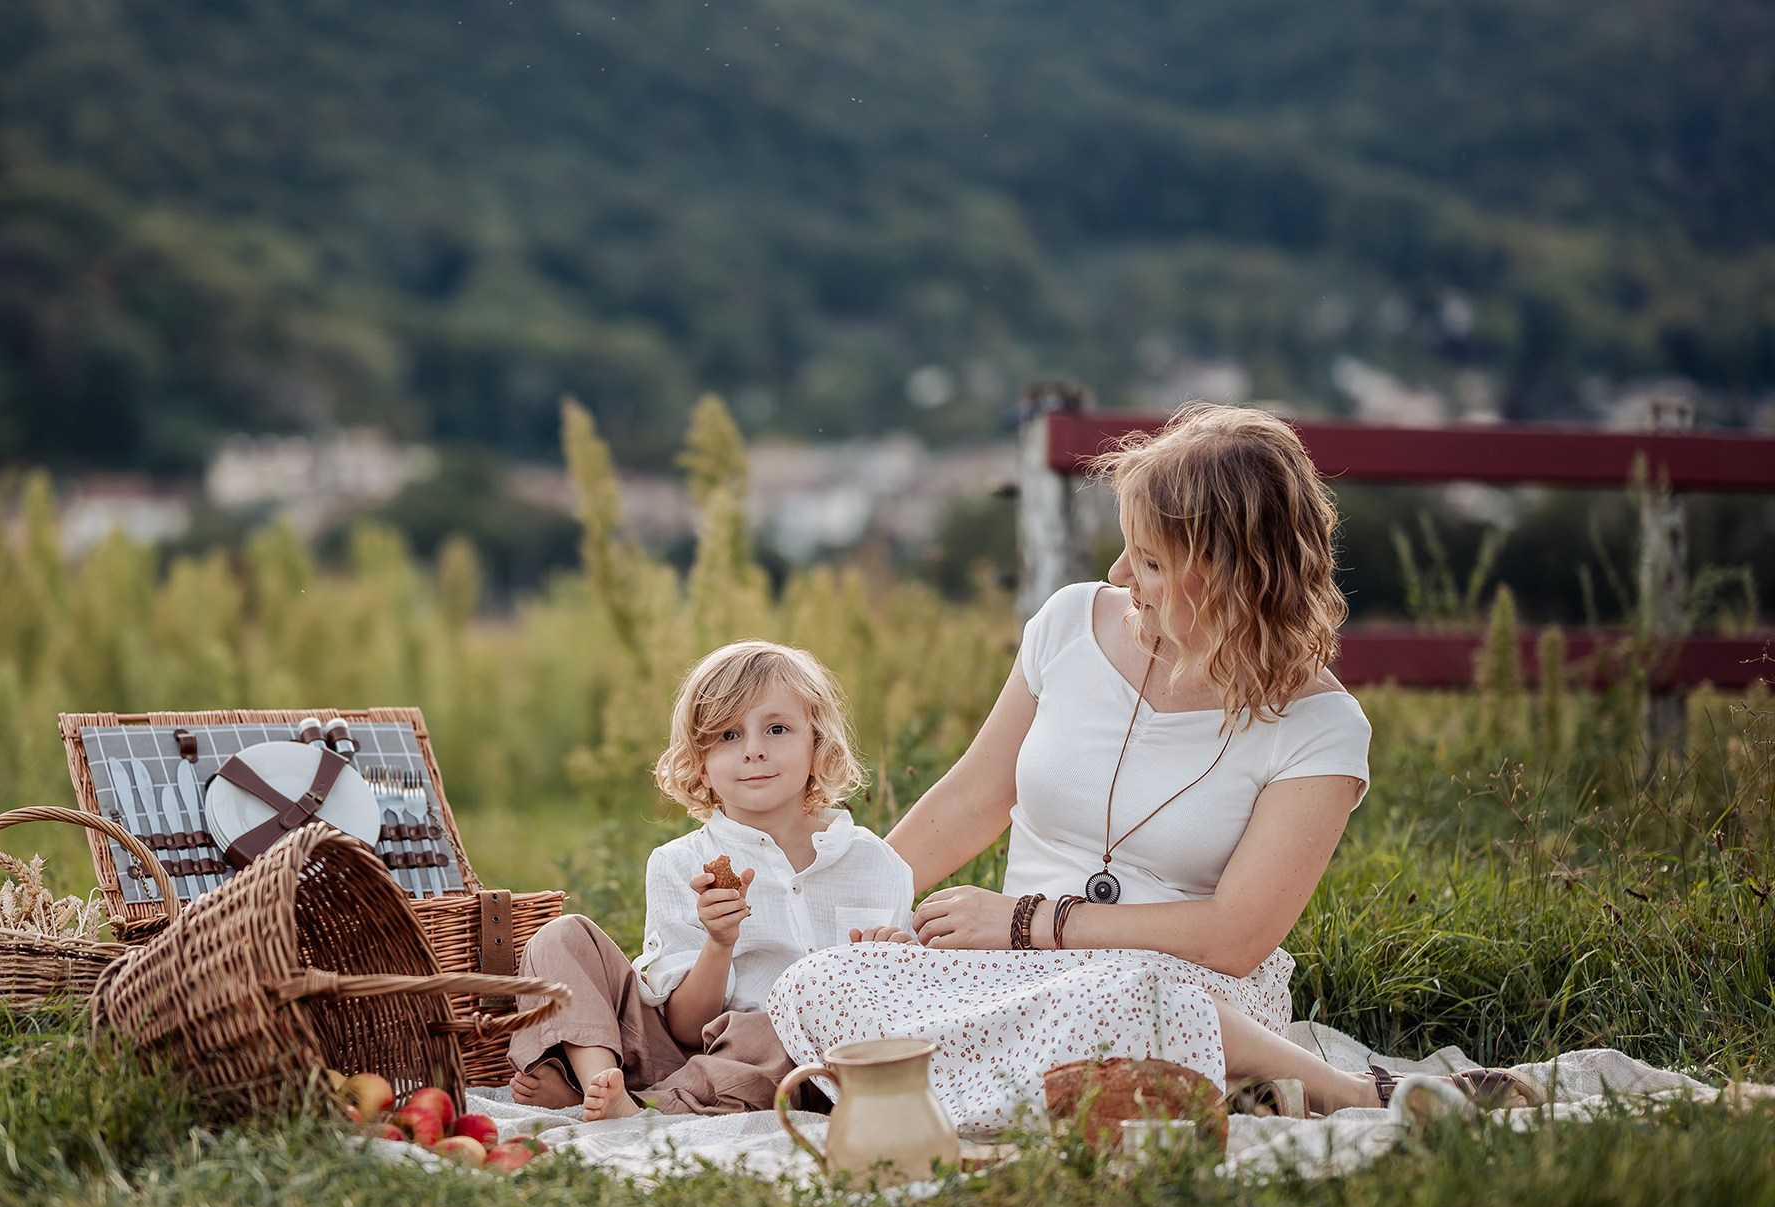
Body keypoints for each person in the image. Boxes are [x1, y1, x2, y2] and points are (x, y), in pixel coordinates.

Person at [766, 403, 1532, 1134]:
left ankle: (1349, 1091)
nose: (1121, 571)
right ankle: (1132, 1087)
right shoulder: (1068, 624)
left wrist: (1028, 920)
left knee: (1135, 997)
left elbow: (1234, 936)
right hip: (1012, 973)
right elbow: (970, 797)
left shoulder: (1321, 728)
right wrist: (854, 923)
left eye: (1152, 559)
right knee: (816, 982)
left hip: (1185, 986)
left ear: (1234, 573)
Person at [508, 639, 915, 1121]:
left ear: (818, 743)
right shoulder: (680, 863)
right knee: (561, 936)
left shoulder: (874, 862)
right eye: (728, 735)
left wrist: (892, 962)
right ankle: (602, 1084)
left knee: (769, 1029)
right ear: (700, 764)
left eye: (777, 729)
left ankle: (630, 1103)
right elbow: (685, 1028)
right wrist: (719, 944)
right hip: (676, 1054)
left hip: (787, 1062)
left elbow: (898, 1014)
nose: (754, 751)